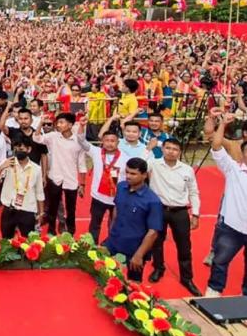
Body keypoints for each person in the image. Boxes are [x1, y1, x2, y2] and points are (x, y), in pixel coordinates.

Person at [147, 138, 202, 296]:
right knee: (157, 242)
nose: (171, 152)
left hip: (180, 212)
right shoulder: (153, 164)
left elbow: (193, 192)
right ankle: (158, 268)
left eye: (175, 149)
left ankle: (187, 278)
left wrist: (196, 213)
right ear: (162, 149)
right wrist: (148, 149)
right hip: (159, 209)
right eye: (168, 148)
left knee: (184, 246)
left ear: (179, 152)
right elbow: (138, 164)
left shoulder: (187, 170)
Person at [205, 112, 247, 297]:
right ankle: (213, 292)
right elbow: (216, 146)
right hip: (231, 226)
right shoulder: (233, 169)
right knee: (220, 261)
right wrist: (222, 124)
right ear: (243, 155)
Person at [104, 158, 163, 281]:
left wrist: (139, 255)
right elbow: (116, 210)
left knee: (133, 284)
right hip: (113, 243)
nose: (128, 176)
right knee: (106, 278)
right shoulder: (121, 187)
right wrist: (110, 235)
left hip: (134, 250)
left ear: (144, 175)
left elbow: (153, 232)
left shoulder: (153, 201)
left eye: (133, 173)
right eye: (127, 172)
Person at [76, 120, 131, 244]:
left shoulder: (126, 158)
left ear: (118, 142)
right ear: (102, 142)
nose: (109, 143)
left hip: (116, 199)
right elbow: (81, 141)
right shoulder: (96, 152)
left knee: (114, 226)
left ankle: (111, 246)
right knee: (95, 224)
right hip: (98, 197)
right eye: (107, 140)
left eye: (113, 141)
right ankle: (92, 246)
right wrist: (82, 126)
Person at [33, 112, 87, 235]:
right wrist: (41, 123)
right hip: (54, 178)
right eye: (57, 123)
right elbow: (36, 138)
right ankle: (51, 231)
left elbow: (82, 164)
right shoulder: (53, 137)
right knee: (52, 208)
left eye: (62, 122)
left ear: (70, 125)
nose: (58, 125)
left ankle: (71, 233)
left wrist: (82, 184)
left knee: (71, 209)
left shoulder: (78, 141)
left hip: (71, 180)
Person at [0, 139, 45, 238]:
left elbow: (39, 192)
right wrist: (2, 167)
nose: (18, 151)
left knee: (28, 241)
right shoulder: (8, 164)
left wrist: (41, 212)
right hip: (9, 209)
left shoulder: (36, 169)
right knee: (6, 241)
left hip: (28, 210)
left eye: (21, 149)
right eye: (16, 149)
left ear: (29, 149)